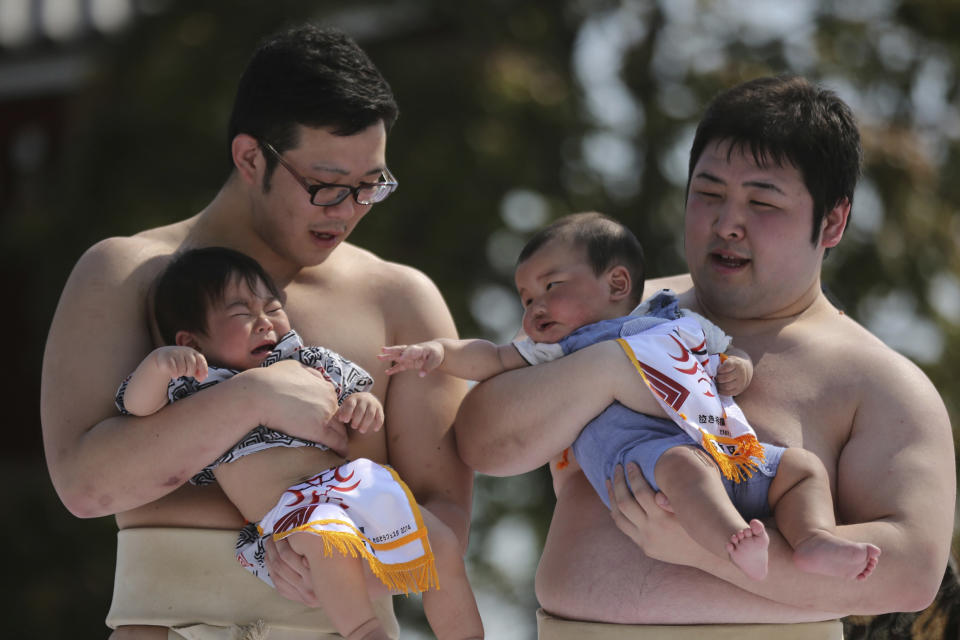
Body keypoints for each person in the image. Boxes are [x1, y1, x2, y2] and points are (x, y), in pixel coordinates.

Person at [454, 76, 955, 638]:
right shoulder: (606, 317)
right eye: (709, 193)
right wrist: (613, 367)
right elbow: (479, 441)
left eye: (761, 201)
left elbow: (912, 572)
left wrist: (706, 552)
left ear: (832, 221)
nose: (726, 223)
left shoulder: (878, 382)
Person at [40, 25, 474, 639]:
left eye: (370, 185)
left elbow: (445, 511)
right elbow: (85, 485)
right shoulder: (127, 273)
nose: (349, 209)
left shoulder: (400, 297)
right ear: (251, 157)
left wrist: (327, 553)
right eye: (325, 185)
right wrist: (253, 397)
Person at [382, 211, 880, 583]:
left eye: (550, 287)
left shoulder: (675, 320)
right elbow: (489, 357)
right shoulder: (559, 350)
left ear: (617, 282)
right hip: (650, 462)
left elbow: (728, 358)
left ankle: (814, 539)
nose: (534, 308)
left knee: (801, 469)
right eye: (526, 298)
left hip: (734, 450)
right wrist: (437, 354)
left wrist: (737, 372)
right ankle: (733, 540)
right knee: (687, 468)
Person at [117, 247, 482, 640]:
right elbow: (136, 406)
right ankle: (364, 632)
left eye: (272, 309)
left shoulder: (306, 360)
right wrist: (158, 365)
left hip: (350, 484)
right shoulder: (195, 385)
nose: (264, 323)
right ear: (192, 340)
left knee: (440, 543)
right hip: (291, 514)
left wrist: (362, 405)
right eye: (242, 314)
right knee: (327, 543)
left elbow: (355, 393)